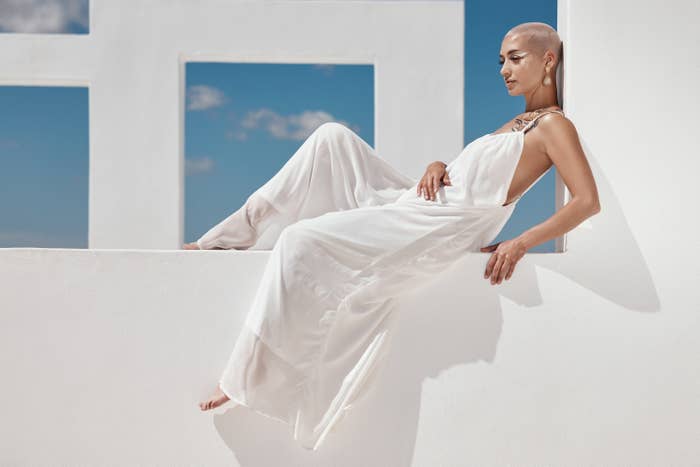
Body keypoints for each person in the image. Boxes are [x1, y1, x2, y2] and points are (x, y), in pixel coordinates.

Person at [191, 22, 600, 450]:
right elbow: (478, 173)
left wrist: (520, 242)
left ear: (548, 60)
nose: (504, 70)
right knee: (332, 139)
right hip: (421, 200)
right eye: (501, 61)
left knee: (299, 241)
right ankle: (226, 236)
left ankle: (246, 379)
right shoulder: (517, 121)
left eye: (516, 58)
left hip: (435, 226)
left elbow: (586, 201)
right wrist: (438, 165)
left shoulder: (555, 126)